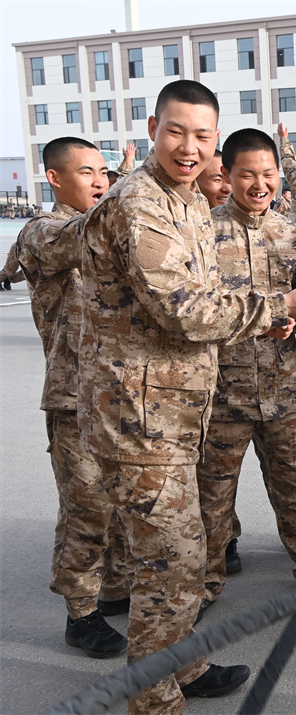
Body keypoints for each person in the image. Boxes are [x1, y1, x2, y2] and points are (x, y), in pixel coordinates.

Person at [78, 80, 296, 714]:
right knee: (173, 558)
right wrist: (279, 305)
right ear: (153, 130)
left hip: (175, 411)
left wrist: (276, 316)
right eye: (176, 132)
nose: (189, 147)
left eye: (201, 136)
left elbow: (212, 301)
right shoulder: (141, 205)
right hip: (139, 417)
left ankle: (180, 664)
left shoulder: (185, 199)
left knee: (181, 556)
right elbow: (184, 311)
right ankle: (153, 698)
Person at [197, 128, 296, 619]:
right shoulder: (203, 233)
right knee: (212, 496)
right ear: (227, 175)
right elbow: (195, 313)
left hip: (282, 389)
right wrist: (273, 311)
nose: (259, 185)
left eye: (268, 174)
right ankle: (204, 582)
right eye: (247, 175)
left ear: (280, 174)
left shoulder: (291, 234)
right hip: (221, 393)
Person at [16, 137, 130, 659]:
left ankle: (115, 588)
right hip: (74, 398)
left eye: (104, 172)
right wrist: (138, 187)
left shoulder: (107, 227)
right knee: (87, 507)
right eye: (87, 172)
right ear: (55, 179)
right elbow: (87, 235)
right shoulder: (44, 231)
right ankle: (80, 615)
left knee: (124, 504)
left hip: (123, 394)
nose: (100, 181)